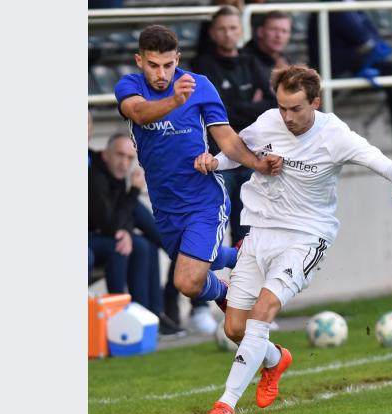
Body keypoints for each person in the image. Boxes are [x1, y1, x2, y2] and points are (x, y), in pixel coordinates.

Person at [196, 65, 392, 414]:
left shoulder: (336, 135)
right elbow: (237, 150)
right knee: (234, 328)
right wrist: (213, 162)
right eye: (282, 107)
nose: (287, 117)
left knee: (264, 310)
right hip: (260, 232)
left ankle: (225, 405)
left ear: (315, 102)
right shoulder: (269, 121)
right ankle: (275, 360)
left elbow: (379, 160)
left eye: (296, 108)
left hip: (305, 236)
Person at [113, 25, 283, 330]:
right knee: (194, 267)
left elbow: (227, 140)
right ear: (140, 61)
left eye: (168, 65)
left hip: (203, 198)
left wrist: (257, 164)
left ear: (178, 58)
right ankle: (244, 254)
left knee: (188, 281)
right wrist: (174, 102)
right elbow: (139, 113)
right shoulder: (129, 86)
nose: (161, 73)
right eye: (153, 65)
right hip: (164, 204)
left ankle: (227, 294)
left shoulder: (199, 86)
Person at [192, 5, 278, 245]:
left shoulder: (251, 63)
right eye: (222, 29)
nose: (228, 34)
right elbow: (217, 112)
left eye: (232, 28)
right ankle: (184, 284)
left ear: (241, 31)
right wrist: (249, 106)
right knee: (209, 235)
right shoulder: (202, 66)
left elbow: (273, 105)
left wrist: (235, 108)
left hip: (250, 156)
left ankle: (243, 284)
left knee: (248, 236)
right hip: (218, 160)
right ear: (212, 33)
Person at [307, 2, 392, 151]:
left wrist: (368, 48)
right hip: (339, 67)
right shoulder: (335, 6)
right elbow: (362, 38)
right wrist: (367, 48)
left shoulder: (350, 5)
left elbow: (372, 38)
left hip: (357, 62)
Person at [89, 134, 164, 315]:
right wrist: (135, 191)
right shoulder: (96, 177)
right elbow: (110, 223)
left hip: (107, 234)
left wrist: (126, 231)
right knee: (122, 246)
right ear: (106, 154)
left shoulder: (117, 174)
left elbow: (122, 215)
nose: (124, 162)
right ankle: (123, 315)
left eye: (129, 158)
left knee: (146, 245)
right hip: (93, 238)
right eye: (119, 155)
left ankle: (150, 314)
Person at [243, 10, 292, 75]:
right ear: (260, 31)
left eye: (284, 31)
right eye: (273, 29)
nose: (279, 36)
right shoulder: (244, 61)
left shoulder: (286, 61)